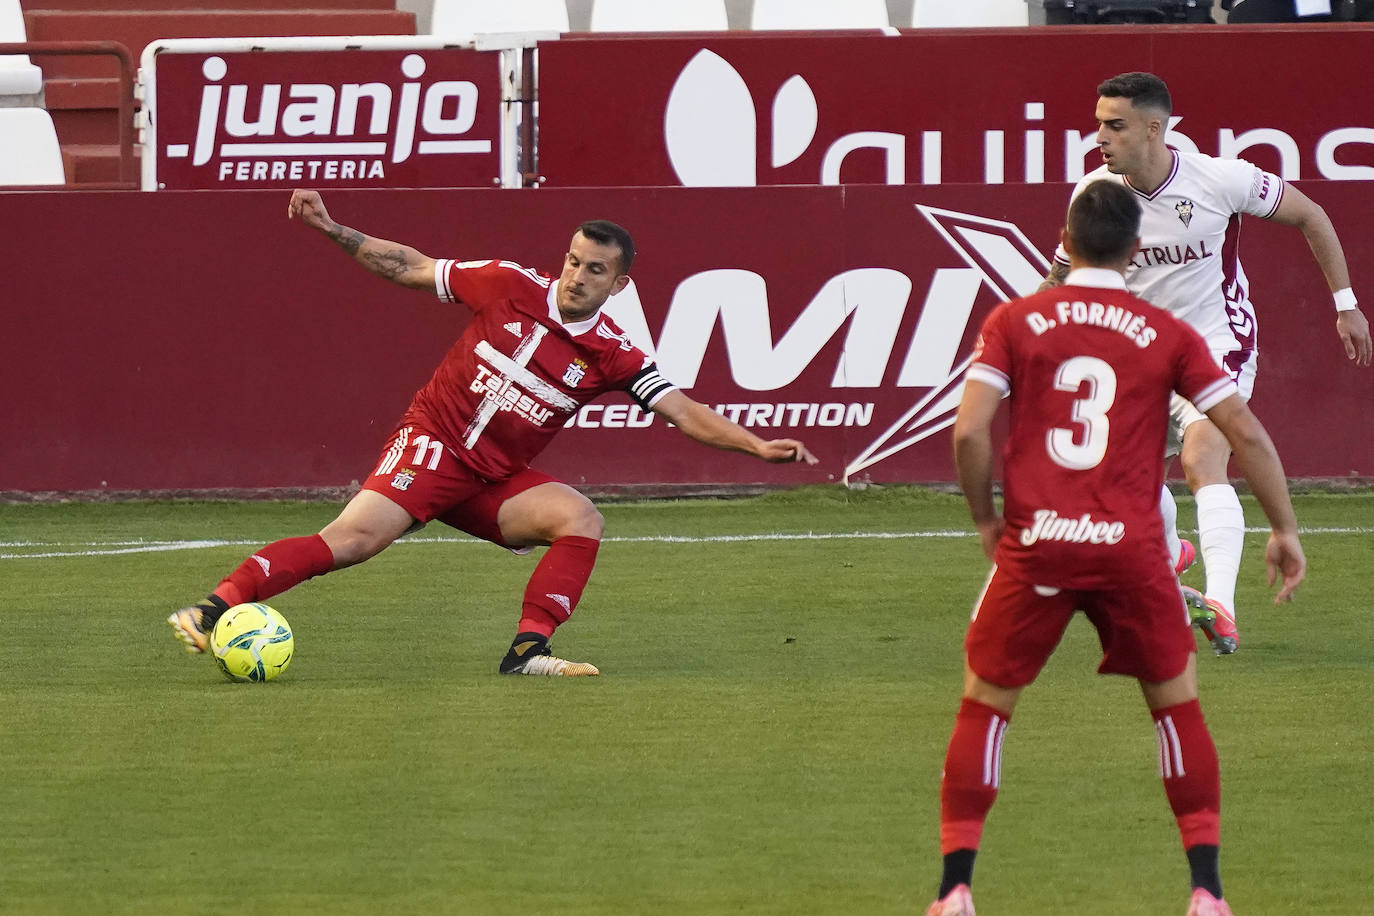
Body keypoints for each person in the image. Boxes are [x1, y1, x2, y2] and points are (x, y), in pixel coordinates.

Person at [169, 190, 818, 676]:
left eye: (595, 270)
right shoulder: (509, 286)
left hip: (492, 479)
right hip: (432, 446)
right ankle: (212, 607)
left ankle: (529, 651)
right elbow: (408, 266)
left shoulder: (615, 354)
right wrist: (331, 227)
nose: (576, 276)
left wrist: (757, 446)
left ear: (619, 285)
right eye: (572, 261)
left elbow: (683, 411)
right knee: (350, 544)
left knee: (580, 517)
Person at [925, 181, 1306, 916]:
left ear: (1064, 245)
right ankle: (1206, 892)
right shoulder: (1166, 334)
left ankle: (956, 889)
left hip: (1039, 546)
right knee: (1176, 710)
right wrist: (1285, 528)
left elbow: (970, 431)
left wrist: (983, 521)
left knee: (985, 709)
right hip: (1131, 553)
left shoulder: (1016, 320)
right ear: (1136, 250)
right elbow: (1247, 433)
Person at [1041, 71, 1368, 655]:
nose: (1100, 137)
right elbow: (1064, 271)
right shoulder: (1095, 193)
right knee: (1122, 488)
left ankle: (1221, 604)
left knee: (1201, 459)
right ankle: (1174, 563)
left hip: (1215, 343)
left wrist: (1346, 306)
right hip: (1136, 355)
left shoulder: (1220, 178)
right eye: (1097, 125)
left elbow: (1310, 214)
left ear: (1153, 128)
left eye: (1114, 126)